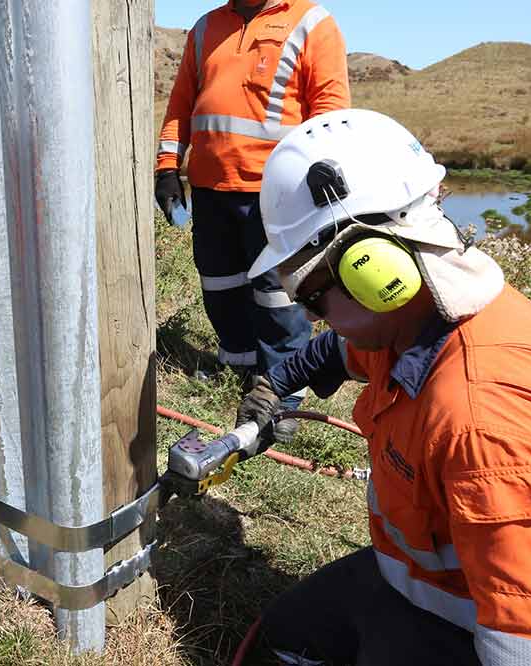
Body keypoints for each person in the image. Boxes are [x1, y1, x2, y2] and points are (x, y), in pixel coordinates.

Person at [233, 108, 531, 665]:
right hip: (418, 586)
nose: (311, 316)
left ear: (370, 265)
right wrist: (278, 382)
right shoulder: (417, 322)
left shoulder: (484, 423)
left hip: (471, 633)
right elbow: (335, 353)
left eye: (312, 296)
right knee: (285, 637)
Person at [154, 0, 350, 444]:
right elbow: (181, 104)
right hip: (211, 188)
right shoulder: (205, 29)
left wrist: (322, 167)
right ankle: (239, 371)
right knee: (221, 285)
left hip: (278, 192)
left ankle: (284, 393)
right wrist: (167, 167)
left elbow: (330, 110)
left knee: (279, 296)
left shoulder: (311, 22)